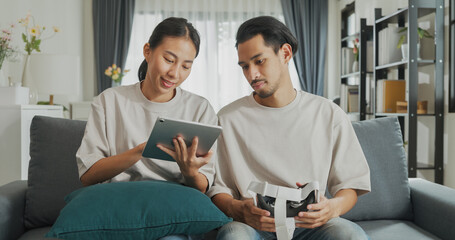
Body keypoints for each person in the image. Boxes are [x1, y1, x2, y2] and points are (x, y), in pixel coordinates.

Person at [207, 16, 371, 240]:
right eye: (245, 66)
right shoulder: (227, 118)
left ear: (285, 53)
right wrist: (239, 209)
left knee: (350, 235)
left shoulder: (328, 113)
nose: (251, 74)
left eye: (259, 61)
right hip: (253, 226)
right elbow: (218, 189)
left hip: (311, 225)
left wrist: (331, 208)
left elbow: (351, 185)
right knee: (234, 237)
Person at [76, 17, 216, 240]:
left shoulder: (199, 108)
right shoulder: (110, 101)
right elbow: (88, 175)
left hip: (170, 216)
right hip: (118, 209)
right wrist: (140, 151)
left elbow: (203, 187)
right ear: (148, 51)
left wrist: (190, 172)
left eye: (186, 66)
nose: (175, 73)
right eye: (169, 59)